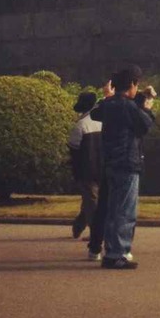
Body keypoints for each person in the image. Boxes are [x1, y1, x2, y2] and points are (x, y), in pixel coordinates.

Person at [97, 65, 154, 270]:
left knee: (114, 210)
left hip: (111, 162)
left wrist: (108, 96)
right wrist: (147, 106)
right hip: (127, 162)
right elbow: (145, 124)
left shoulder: (109, 104)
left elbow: (99, 113)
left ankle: (111, 251)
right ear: (132, 84)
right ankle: (118, 252)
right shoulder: (127, 106)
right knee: (125, 211)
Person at [68, 91, 105, 258]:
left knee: (91, 203)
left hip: (85, 171)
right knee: (93, 203)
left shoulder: (80, 125)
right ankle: (82, 226)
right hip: (102, 169)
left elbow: (73, 149)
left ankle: (87, 230)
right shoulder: (104, 123)